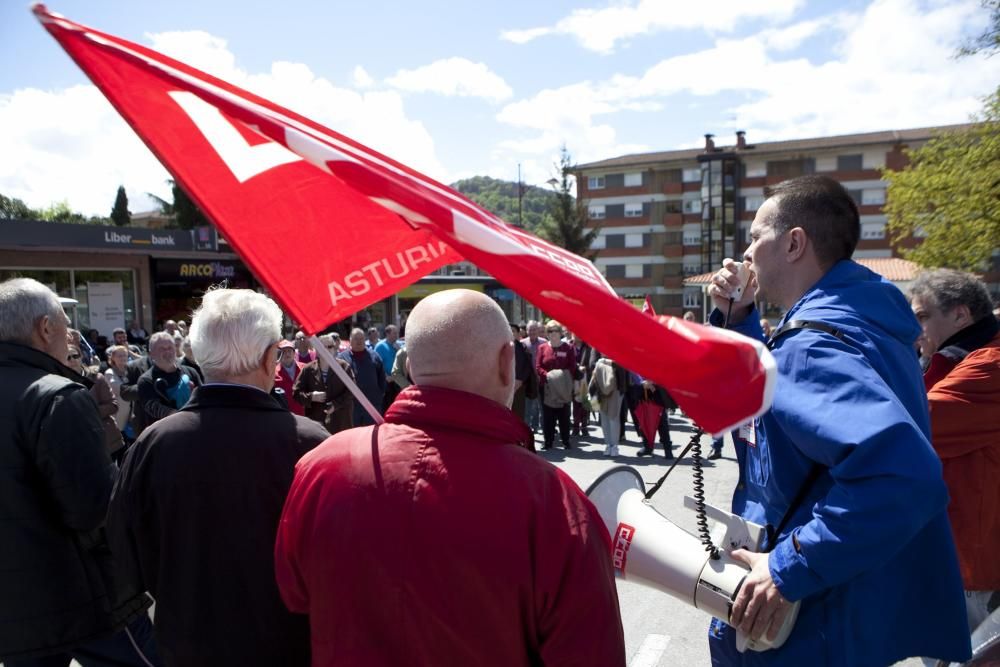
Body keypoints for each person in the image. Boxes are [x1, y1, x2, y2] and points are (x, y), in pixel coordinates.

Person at [274, 289, 626, 665]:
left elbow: (294, 595)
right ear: (508, 362)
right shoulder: (553, 500)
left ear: (410, 367)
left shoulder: (320, 468)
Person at [706, 175, 969, 665]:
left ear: (794, 243)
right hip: (843, 614)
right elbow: (778, 413)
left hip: (809, 625)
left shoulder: (812, 344)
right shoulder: (856, 317)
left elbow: (905, 477)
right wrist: (740, 318)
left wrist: (789, 565)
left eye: (755, 236)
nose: (744, 255)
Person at [107, 288, 330, 667]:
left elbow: (124, 552)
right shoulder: (309, 444)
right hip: (288, 643)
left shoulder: (154, 444)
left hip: (188, 642)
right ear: (269, 357)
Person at [0, 278, 158, 666]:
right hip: (83, 597)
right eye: (63, 320)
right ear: (45, 328)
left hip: (15, 607)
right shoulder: (57, 396)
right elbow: (93, 508)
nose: (71, 333)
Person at [909, 269, 1000, 633]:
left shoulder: (989, 366)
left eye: (923, 317)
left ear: (961, 315)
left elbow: (912, 426)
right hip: (957, 560)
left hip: (973, 570)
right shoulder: (959, 360)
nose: (916, 330)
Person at [67, 343, 124, 459]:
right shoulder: (60, 382)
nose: (72, 360)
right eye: (67, 357)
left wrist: (87, 412)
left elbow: (113, 405)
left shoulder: (96, 378)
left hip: (107, 440)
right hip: (79, 444)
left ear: (81, 357)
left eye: (75, 356)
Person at [136, 331, 202, 427]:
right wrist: (181, 416)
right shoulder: (146, 380)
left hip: (195, 427)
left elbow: (203, 397)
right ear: (151, 353)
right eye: (162, 349)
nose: (167, 351)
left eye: (170, 347)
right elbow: (153, 407)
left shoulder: (191, 372)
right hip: (166, 433)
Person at [293, 333, 355, 434]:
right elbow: (296, 393)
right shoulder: (308, 369)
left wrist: (335, 404)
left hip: (340, 423)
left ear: (335, 349)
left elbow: (351, 392)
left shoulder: (344, 367)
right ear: (316, 350)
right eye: (322, 347)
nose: (326, 350)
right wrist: (311, 396)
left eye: (329, 346)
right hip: (317, 426)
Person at [536, 320, 578, 450]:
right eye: (550, 331)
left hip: (563, 386)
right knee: (547, 415)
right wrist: (547, 376)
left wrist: (560, 376)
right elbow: (538, 366)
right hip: (547, 386)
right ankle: (548, 441)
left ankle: (566, 440)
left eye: (555, 331)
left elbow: (572, 366)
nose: (553, 334)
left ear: (560, 333)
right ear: (547, 334)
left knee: (564, 415)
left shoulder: (568, 348)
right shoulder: (542, 348)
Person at [338, 328, 386, 425]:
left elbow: (382, 379)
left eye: (361, 338)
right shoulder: (342, 358)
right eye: (356, 338)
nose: (359, 341)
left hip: (372, 405)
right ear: (350, 340)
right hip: (351, 406)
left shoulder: (374, 356)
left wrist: (379, 395)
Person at [589, 354, 627, 457]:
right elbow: (592, 364)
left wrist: (605, 361)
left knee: (613, 417)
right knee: (604, 418)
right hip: (600, 387)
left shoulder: (618, 347)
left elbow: (624, 364)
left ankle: (614, 446)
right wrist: (603, 362)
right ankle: (608, 444)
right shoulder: (597, 346)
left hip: (617, 388)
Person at [106, 344, 136, 452]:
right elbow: (118, 389)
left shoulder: (131, 370)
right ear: (113, 358)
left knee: (132, 448)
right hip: (118, 417)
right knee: (120, 450)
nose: (123, 358)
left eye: (125, 355)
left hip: (132, 416)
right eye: (119, 355)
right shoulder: (109, 373)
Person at [520, 320, 545, 431]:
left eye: (534, 329)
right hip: (529, 378)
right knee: (529, 402)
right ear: (527, 331)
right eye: (530, 329)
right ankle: (528, 425)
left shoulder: (544, 342)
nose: (532, 332)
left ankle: (537, 425)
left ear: (538, 330)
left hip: (541, 376)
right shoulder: (523, 343)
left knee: (540, 403)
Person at [510, 322, 535, 423]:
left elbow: (528, 367)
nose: (510, 333)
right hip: (504, 386)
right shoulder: (499, 346)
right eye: (508, 330)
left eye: (513, 331)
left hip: (519, 386)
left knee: (518, 414)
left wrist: (520, 380)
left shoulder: (523, 348)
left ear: (518, 333)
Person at [374, 324, 402, 410]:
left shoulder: (397, 345)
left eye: (397, 333)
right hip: (387, 380)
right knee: (387, 404)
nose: (397, 335)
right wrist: (385, 376)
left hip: (397, 380)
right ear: (387, 334)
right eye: (394, 333)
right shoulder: (380, 346)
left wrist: (399, 350)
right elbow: (376, 363)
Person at [274, 339, 305, 416]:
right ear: (279, 355)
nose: (287, 354)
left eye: (289, 351)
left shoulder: (305, 368)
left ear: (294, 353)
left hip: (305, 415)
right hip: (284, 417)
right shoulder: (273, 373)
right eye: (283, 351)